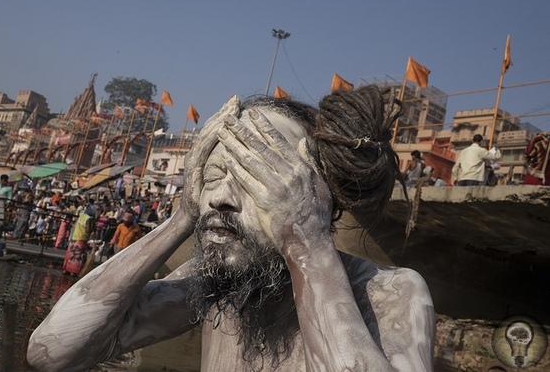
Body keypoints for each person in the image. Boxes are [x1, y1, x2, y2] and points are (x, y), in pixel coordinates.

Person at [28, 88, 435, 372]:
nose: (221, 197)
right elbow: (54, 353)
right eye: (214, 175)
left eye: (258, 179)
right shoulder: (223, 289)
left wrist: (306, 243)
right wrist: (180, 219)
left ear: (319, 198)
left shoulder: (390, 294)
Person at [62, 207, 95, 277]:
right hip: (81, 239)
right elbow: (88, 229)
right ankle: (73, 272)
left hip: (74, 238)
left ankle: (66, 270)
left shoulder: (81, 216)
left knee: (71, 254)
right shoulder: (88, 218)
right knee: (78, 256)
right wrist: (93, 229)